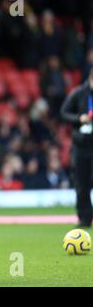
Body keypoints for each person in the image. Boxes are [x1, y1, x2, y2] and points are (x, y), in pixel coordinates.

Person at [60, 68, 93, 228]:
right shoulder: (78, 93)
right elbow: (63, 113)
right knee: (82, 183)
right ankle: (85, 218)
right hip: (81, 145)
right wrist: (79, 118)